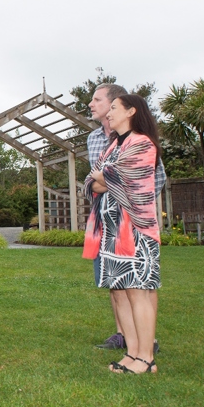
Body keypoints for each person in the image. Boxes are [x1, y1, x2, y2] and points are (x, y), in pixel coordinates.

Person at [84, 94, 162, 374]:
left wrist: (105, 178)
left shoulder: (142, 143)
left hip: (136, 231)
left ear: (131, 111)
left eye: (114, 108)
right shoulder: (112, 146)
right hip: (112, 232)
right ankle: (132, 352)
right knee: (123, 291)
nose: (109, 113)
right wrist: (103, 178)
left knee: (138, 292)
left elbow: (120, 179)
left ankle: (146, 357)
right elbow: (91, 183)